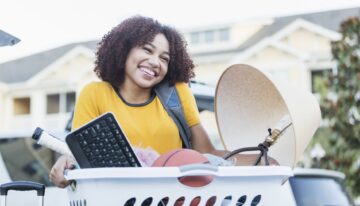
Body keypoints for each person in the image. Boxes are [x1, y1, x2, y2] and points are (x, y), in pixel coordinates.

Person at [49, 15, 278, 188]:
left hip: (173, 197)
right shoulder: (95, 94)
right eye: (147, 50)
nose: (155, 62)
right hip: (117, 196)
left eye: (164, 58)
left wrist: (258, 160)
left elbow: (207, 153)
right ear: (123, 50)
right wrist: (65, 162)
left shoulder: (177, 93)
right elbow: (81, 153)